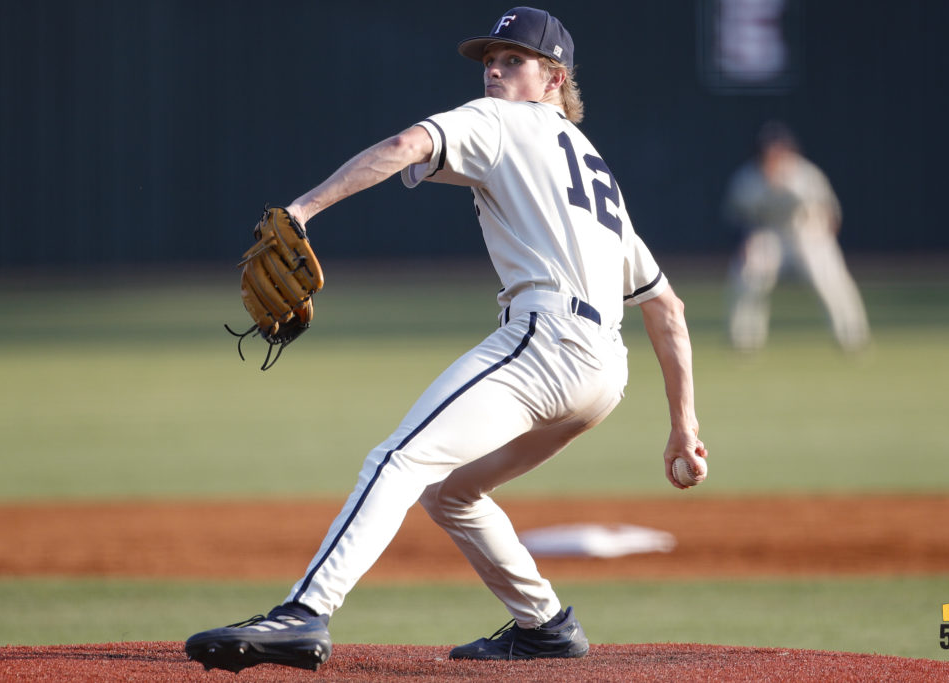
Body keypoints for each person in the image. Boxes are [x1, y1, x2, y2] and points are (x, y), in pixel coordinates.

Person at [185, 6, 707, 673]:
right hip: (604, 372)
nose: (493, 69)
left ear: (553, 77)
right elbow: (666, 306)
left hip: (546, 343)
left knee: (396, 459)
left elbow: (407, 145)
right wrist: (682, 426)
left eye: (512, 59)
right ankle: (544, 623)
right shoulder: (589, 167)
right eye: (489, 59)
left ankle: (304, 611)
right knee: (451, 490)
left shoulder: (500, 119)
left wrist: (302, 210)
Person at [722, 121, 870, 352]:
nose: (774, 154)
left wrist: (825, 241)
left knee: (831, 281)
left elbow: (830, 211)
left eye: (779, 149)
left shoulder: (805, 174)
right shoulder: (749, 178)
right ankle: (743, 340)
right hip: (768, 234)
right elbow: (739, 216)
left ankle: (852, 337)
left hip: (807, 232)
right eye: (769, 150)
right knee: (748, 278)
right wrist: (747, 241)